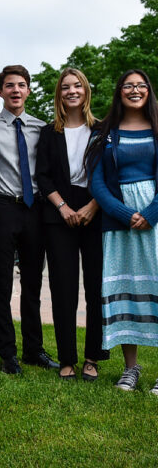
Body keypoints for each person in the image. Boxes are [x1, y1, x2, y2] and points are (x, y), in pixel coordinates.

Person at [87, 69, 158, 394]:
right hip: (119, 222)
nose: (134, 90)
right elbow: (97, 181)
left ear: (148, 91)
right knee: (126, 287)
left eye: (140, 85)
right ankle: (131, 369)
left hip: (154, 218)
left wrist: (150, 214)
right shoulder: (107, 132)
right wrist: (124, 213)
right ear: (119, 92)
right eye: (128, 85)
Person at [0, 65, 59, 374]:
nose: (16, 90)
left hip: (35, 210)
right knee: (1, 283)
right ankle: (7, 354)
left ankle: (33, 349)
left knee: (32, 282)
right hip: (3, 207)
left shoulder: (42, 128)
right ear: (0, 91)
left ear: (28, 91)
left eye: (22, 85)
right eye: (10, 86)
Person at [36, 68, 108, 380]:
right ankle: (67, 358)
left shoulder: (103, 129)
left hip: (95, 211)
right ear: (59, 94)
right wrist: (63, 207)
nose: (72, 91)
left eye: (77, 85)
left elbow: (109, 173)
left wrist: (94, 205)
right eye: (65, 87)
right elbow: (43, 175)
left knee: (95, 287)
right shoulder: (49, 132)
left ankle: (92, 357)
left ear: (86, 90)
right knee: (63, 288)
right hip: (58, 215)